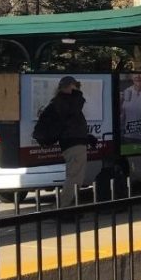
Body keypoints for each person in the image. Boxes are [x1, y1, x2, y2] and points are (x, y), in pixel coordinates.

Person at [50, 76, 92, 209]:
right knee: (74, 177)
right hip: (73, 144)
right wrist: (77, 94)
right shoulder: (65, 101)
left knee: (75, 176)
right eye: (75, 86)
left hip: (74, 142)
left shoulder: (62, 101)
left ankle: (67, 205)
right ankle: (63, 207)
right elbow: (72, 115)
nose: (78, 89)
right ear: (69, 87)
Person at [120, 73, 141, 143]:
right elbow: (122, 115)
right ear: (131, 77)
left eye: (140, 74)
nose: (138, 76)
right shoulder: (127, 91)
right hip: (128, 137)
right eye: (135, 74)